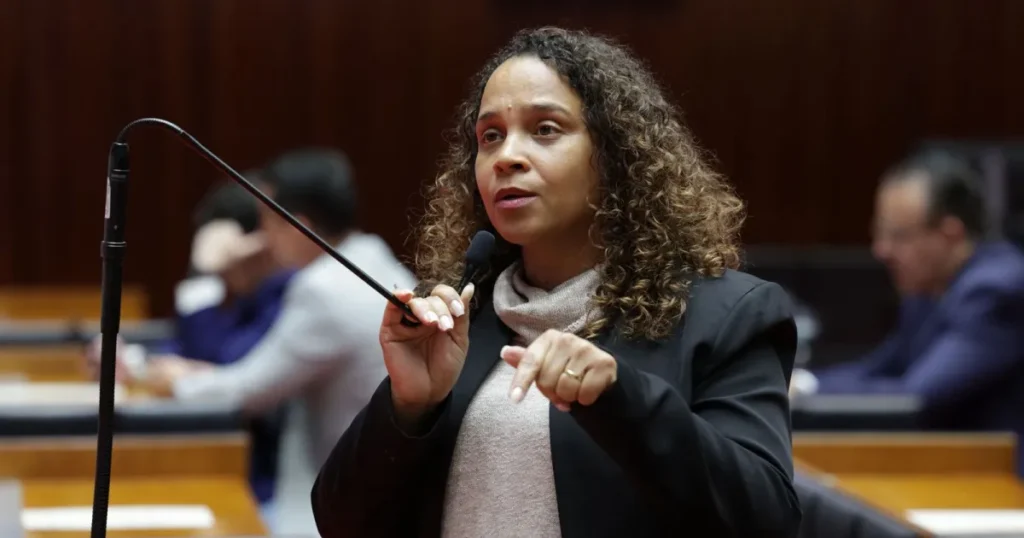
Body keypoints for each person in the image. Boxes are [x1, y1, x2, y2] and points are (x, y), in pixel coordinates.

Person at [312, 27, 801, 538]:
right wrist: (408, 407)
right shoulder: (459, 317)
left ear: (614, 154)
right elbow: (339, 521)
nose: (507, 157)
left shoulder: (725, 315)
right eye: (490, 136)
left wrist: (621, 398)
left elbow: (766, 520)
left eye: (545, 129)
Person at [145, 149, 417, 535]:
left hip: (348, 509)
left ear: (298, 225)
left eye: (268, 223)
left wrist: (173, 381)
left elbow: (246, 392)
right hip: (382, 492)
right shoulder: (372, 257)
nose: (264, 239)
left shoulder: (326, 289)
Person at [790, 152, 1024, 467]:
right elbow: (881, 369)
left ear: (949, 234)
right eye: (880, 232)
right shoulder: (927, 289)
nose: (881, 250)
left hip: (999, 486)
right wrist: (803, 384)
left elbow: (916, 397)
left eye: (898, 236)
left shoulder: (997, 290)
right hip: (944, 470)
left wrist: (803, 395)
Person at [84, 177, 294, 514]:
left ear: (260, 244)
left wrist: (204, 272)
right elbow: (186, 350)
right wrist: (131, 358)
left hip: (263, 488)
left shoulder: (288, 292)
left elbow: (227, 368)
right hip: (214, 465)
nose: (221, 275)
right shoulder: (231, 294)